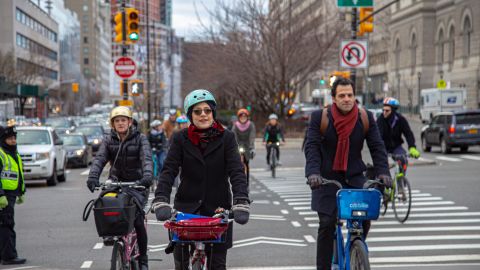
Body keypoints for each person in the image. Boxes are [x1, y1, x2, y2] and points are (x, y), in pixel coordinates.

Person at [152, 89, 250, 270]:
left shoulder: (227, 138)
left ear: (213, 112)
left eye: (207, 110)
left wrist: (241, 201)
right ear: (190, 115)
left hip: (218, 208)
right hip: (186, 207)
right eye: (197, 111)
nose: (203, 115)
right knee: (180, 260)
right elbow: (168, 171)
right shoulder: (180, 138)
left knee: (217, 264)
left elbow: (236, 171)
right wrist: (161, 199)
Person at [304, 78, 392, 270]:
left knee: (365, 216)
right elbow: (311, 147)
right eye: (342, 95)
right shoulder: (320, 117)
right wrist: (312, 173)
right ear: (334, 98)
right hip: (326, 180)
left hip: (354, 176)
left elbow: (377, 147)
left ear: (355, 97)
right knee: (327, 224)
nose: (346, 99)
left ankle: (355, 248)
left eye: (350, 95)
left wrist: (384, 172)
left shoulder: (365, 117)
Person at [86, 106, 152, 270]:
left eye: (123, 120)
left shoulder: (140, 138)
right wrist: (93, 177)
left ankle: (143, 259)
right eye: (117, 121)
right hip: (115, 183)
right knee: (105, 204)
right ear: (112, 124)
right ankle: (112, 234)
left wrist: (147, 177)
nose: (120, 123)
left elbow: (147, 160)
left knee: (137, 220)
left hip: (137, 184)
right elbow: (100, 159)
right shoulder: (108, 139)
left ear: (130, 122)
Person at [0, 124, 26, 265]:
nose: (13, 141)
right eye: (10, 138)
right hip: (4, 195)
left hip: (11, 194)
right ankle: (9, 256)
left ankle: (4, 254)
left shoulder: (13, 153)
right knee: (7, 224)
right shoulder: (1, 153)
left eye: (14, 138)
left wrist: (21, 191)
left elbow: (19, 174)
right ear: (4, 139)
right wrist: (0, 195)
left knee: (5, 224)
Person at [376, 97, 420, 176]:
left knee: (403, 159)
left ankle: (400, 180)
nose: (384, 112)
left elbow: (408, 133)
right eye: (383, 110)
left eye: (387, 110)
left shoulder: (400, 119)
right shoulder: (380, 120)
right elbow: (378, 136)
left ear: (393, 111)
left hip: (396, 147)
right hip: (383, 147)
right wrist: (381, 151)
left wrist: (412, 147)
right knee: (382, 164)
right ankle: (384, 182)